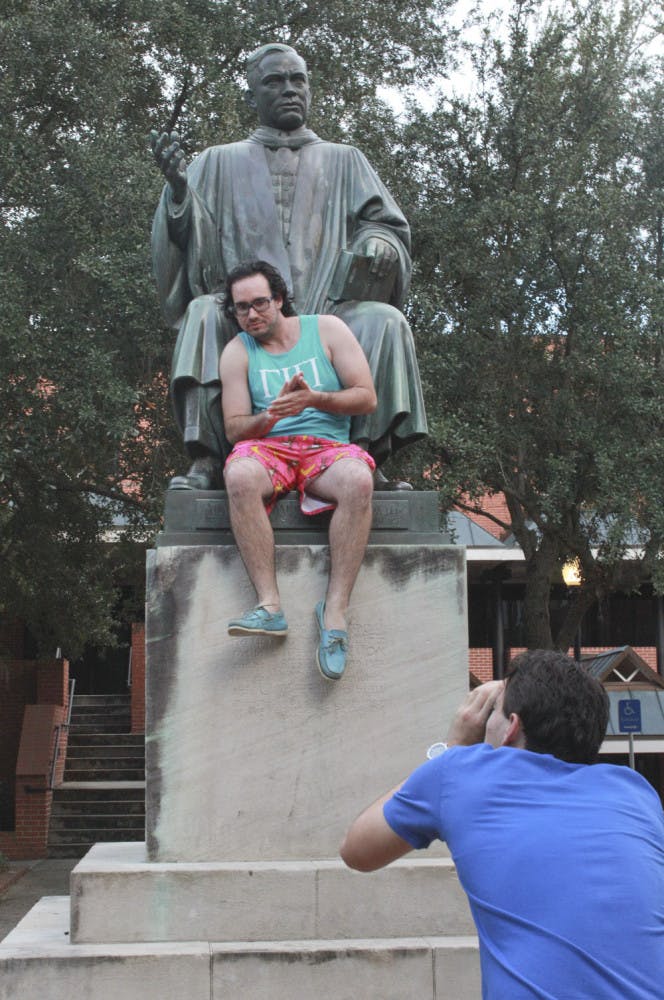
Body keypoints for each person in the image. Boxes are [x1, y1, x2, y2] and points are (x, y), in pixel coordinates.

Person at [151, 42, 426, 490]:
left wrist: (379, 243)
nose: (290, 90)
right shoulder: (218, 160)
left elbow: (388, 226)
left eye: (298, 80)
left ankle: (363, 459)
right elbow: (182, 240)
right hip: (245, 315)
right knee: (203, 313)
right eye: (274, 82)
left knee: (387, 321)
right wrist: (180, 192)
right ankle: (206, 459)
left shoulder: (347, 159)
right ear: (251, 96)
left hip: (329, 312)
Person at [340, 650, 664, 999]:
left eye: (491, 712)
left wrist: (453, 747)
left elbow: (358, 850)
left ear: (510, 727)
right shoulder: (636, 794)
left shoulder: (462, 772)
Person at [220, 259, 376, 680]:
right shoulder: (237, 351)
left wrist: (313, 401)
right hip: (269, 448)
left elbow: (365, 397)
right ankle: (270, 606)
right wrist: (269, 417)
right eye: (241, 308)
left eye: (260, 303)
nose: (251, 314)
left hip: (326, 448)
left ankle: (336, 615)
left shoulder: (326, 330)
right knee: (237, 475)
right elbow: (235, 428)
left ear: (280, 299)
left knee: (360, 480)